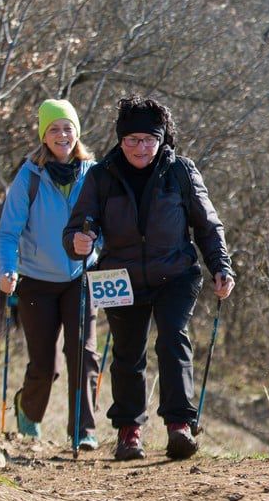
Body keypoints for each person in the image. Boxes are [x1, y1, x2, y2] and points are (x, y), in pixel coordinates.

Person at [64, 95, 235, 461]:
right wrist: (78, 240)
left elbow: (207, 226)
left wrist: (221, 266)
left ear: (162, 140)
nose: (141, 148)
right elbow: (77, 227)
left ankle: (180, 427)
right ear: (120, 141)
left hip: (175, 273)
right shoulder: (100, 175)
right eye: (132, 140)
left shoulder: (181, 172)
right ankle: (129, 432)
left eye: (149, 140)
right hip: (119, 275)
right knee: (127, 353)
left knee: (172, 338)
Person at [0, 99, 100, 449]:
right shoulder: (29, 176)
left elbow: (108, 226)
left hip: (79, 279)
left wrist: (99, 252)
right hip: (37, 282)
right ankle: (28, 410)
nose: (62, 135)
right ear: (43, 135)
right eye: (54, 129)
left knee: (83, 355)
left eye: (67, 127)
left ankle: (83, 430)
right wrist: (7, 270)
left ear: (77, 132)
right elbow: (8, 233)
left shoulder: (93, 173)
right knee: (45, 365)